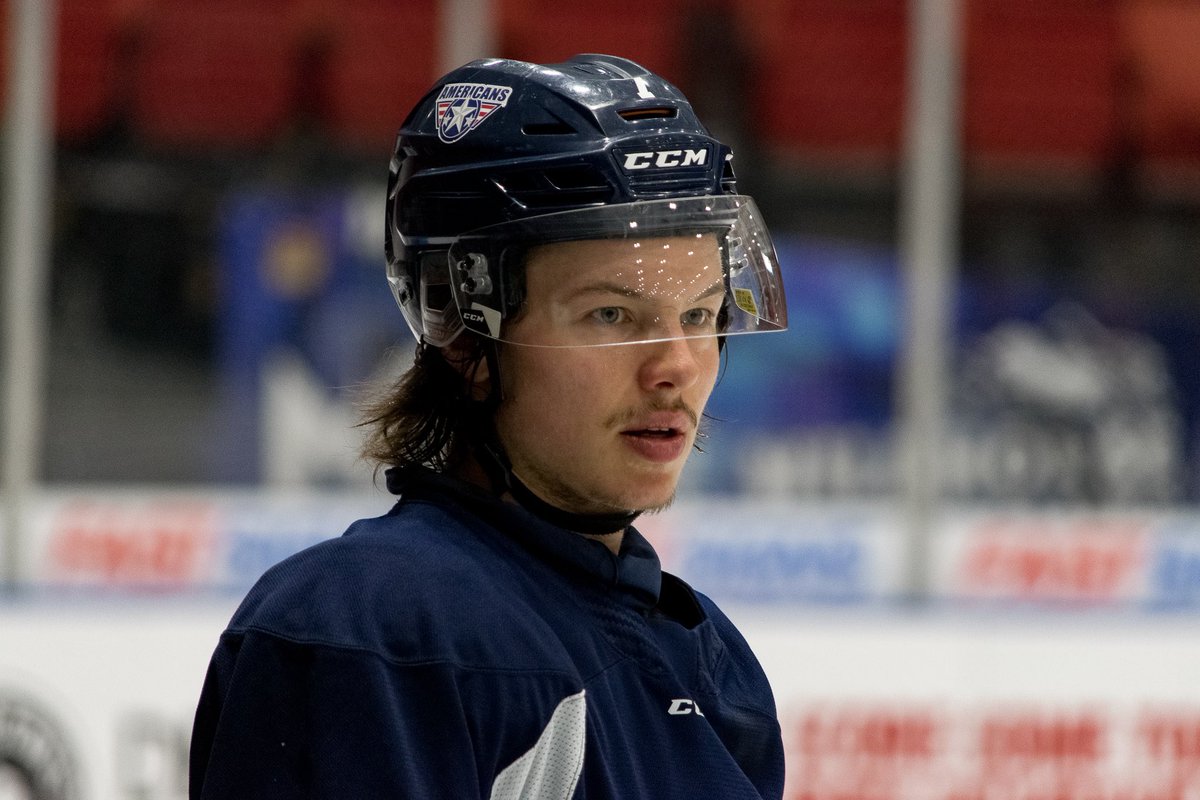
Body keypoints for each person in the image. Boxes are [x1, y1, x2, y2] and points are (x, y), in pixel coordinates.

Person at [189, 53, 789, 799]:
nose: (677, 365)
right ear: (467, 338)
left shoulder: (711, 662)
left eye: (699, 315)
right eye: (612, 315)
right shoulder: (371, 633)